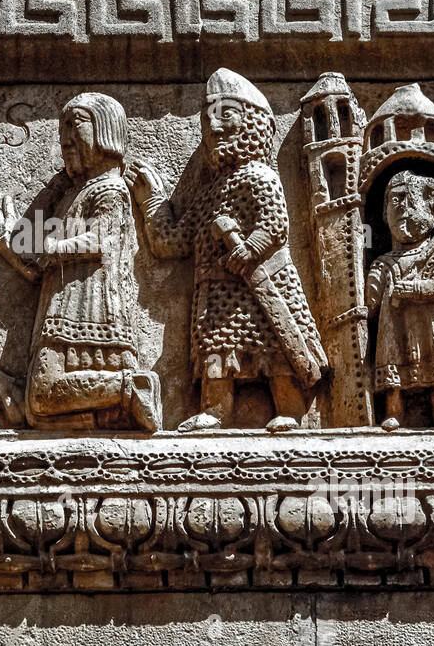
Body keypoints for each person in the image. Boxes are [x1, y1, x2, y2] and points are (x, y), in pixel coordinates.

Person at [128, 69, 326, 433]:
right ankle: (216, 410)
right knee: (215, 350)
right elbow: (174, 241)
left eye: (225, 114)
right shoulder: (210, 191)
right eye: (207, 120)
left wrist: (250, 249)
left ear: (252, 122)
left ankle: (291, 409)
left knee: (276, 348)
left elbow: (275, 224)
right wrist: (150, 200)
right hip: (216, 293)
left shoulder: (259, 176)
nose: (214, 128)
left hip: (261, 286)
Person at [0, 92, 160, 431]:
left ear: (106, 129)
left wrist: (53, 247)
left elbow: (102, 239)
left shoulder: (109, 189)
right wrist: (6, 234)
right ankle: (117, 404)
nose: (66, 137)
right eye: (62, 129)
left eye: (76, 125)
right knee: (37, 409)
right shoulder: (74, 192)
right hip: (62, 303)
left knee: (41, 397)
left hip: (90, 306)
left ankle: (132, 388)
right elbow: (29, 256)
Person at [366, 169, 434, 432]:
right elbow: (370, 303)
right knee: (393, 374)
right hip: (394, 327)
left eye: (411, 201)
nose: (403, 209)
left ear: (431, 209)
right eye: (395, 201)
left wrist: (411, 289)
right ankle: (393, 411)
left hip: (430, 326)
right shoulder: (383, 262)